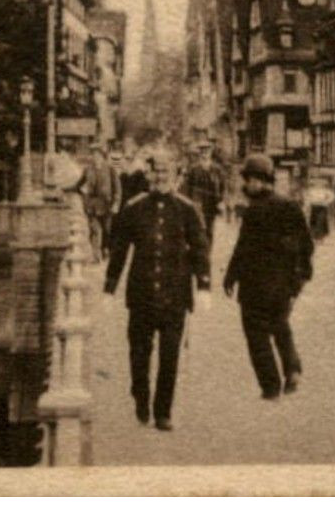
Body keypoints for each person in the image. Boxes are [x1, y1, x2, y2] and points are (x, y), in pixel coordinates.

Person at [104, 156, 211, 431]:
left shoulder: (188, 209)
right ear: (150, 175)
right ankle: (141, 395)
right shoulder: (134, 208)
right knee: (139, 354)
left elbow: (200, 249)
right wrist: (109, 288)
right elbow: (120, 250)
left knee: (169, 356)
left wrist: (204, 286)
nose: (161, 177)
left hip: (175, 296)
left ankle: (163, 411)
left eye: (167, 172)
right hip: (141, 295)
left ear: (175, 175)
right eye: (157, 172)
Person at [222, 156, 313, 400]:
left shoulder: (254, 211)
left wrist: (230, 276)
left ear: (257, 180)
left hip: (255, 287)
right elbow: (306, 245)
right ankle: (293, 370)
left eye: (248, 180)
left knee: (257, 336)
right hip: (283, 286)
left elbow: (243, 249)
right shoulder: (291, 206)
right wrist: (300, 279)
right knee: (281, 326)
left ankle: (271, 386)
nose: (246, 185)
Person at [72, 150, 121, 260]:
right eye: (94, 155)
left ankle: (105, 249)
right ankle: (96, 254)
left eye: (98, 156)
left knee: (107, 230)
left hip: (107, 205)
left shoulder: (110, 169)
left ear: (103, 157)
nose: (95, 158)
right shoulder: (88, 170)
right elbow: (78, 185)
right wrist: (83, 195)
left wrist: (116, 203)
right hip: (92, 206)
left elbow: (117, 188)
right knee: (95, 230)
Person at [181, 146, 225, 249]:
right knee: (198, 228)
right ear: (199, 154)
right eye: (202, 153)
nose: (204, 154)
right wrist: (188, 203)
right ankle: (197, 253)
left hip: (211, 205)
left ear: (210, 154)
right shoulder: (194, 169)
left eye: (207, 152)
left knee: (209, 230)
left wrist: (221, 201)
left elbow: (223, 186)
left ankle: (207, 253)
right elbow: (187, 187)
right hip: (197, 204)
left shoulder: (217, 170)